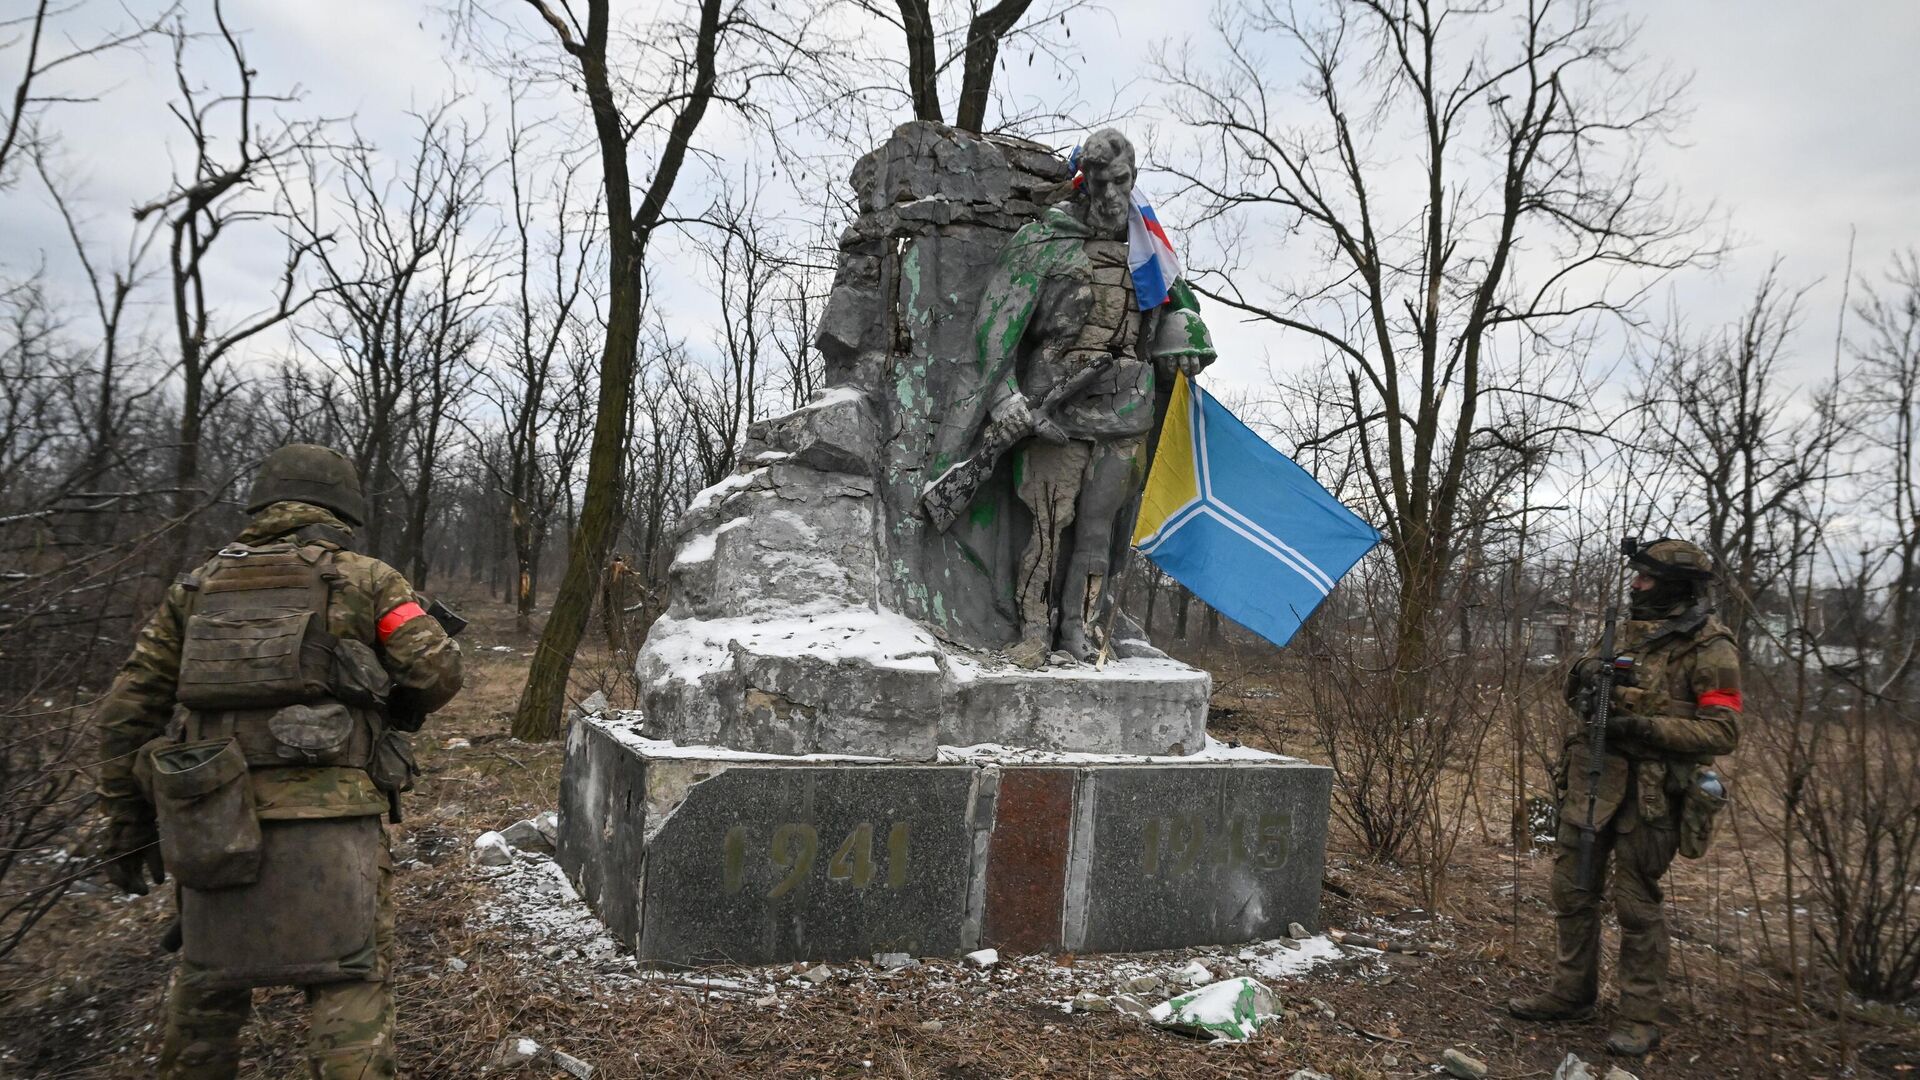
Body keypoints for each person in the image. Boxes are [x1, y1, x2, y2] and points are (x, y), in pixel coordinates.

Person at [94, 443, 463, 1079]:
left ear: (261, 505)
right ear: (342, 507)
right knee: (350, 982)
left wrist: (127, 826)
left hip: (212, 814)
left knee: (209, 986)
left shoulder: (197, 585)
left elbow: (127, 710)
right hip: (334, 821)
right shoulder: (369, 580)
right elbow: (436, 670)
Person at [933, 129, 1214, 666]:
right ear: (1083, 181)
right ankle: (1035, 631)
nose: (1112, 197)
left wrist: (1185, 345)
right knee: (1046, 521)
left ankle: (1078, 632)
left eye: (1123, 182)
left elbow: (1183, 318)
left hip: (1125, 411)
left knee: (1098, 527)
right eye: (1102, 183)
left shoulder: (1149, 252)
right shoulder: (1045, 241)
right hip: (1052, 411)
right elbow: (994, 333)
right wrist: (1004, 399)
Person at [1509, 537, 1741, 1057]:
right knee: (1572, 891)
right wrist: (1587, 681)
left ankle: (1639, 1016)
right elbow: (1578, 689)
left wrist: (1642, 723)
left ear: (1677, 586)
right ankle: (1571, 994)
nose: (1636, 585)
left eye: (1648, 578)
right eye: (1637, 576)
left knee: (1636, 906)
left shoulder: (1710, 646)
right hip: (1594, 780)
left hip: (1652, 795)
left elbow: (1722, 731)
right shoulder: (1622, 633)